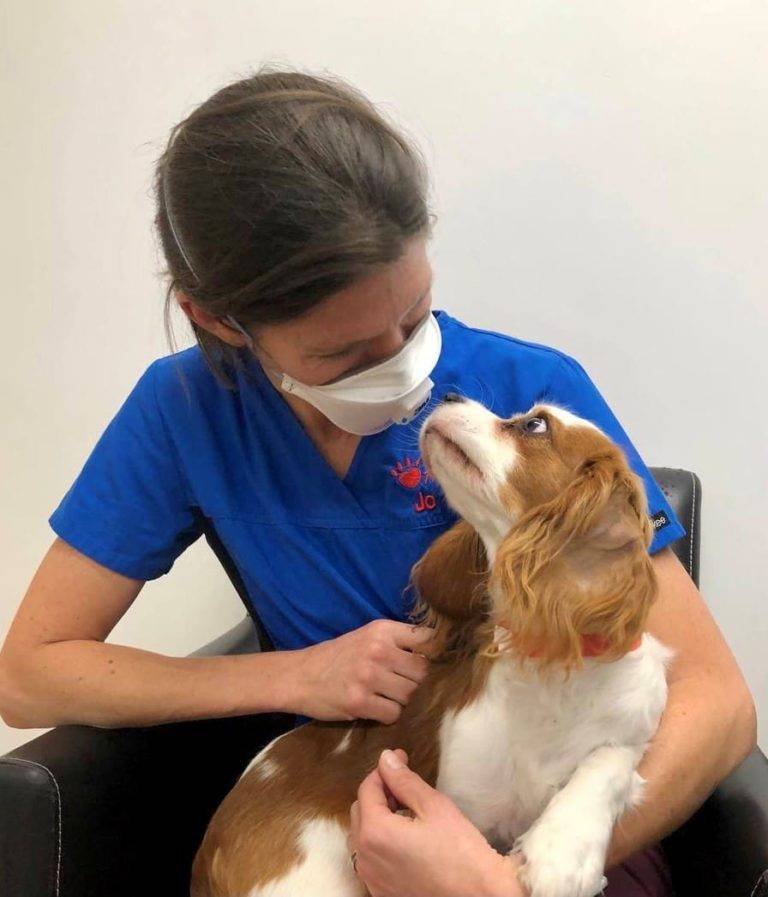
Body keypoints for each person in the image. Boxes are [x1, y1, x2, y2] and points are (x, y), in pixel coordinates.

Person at [0, 65, 755, 897]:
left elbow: (716, 699)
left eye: (414, 314)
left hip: (558, 829)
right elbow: (31, 673)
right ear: (216, 320)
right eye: (343, 353)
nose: (403, 369)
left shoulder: (528, 393)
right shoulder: (185, 410)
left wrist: (512, 873)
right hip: (347, 805)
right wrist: (291, 675)